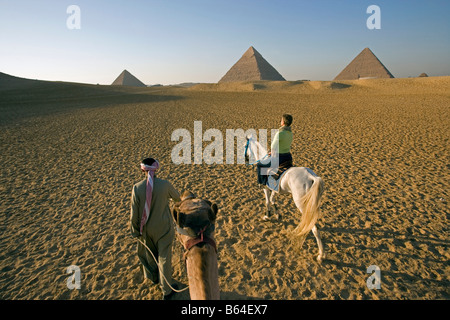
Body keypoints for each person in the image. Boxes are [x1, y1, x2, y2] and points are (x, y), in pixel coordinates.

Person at [130, 157, 181, 300]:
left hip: (145, 229)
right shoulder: (165, 185)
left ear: (142, 170)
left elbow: (134, 213)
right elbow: (177, 198)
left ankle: (156, 279)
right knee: (164, 257)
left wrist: (134, 231)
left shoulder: (137, 187)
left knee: (150, 255)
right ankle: (167, 290)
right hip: (164, 227)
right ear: (156, 169)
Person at [257, 114, 294, 185]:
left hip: (280, 158)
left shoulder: (280, 133)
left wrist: (272, 153)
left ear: (283, 122)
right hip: (288, 157)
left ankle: (262, 183)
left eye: (281, 120)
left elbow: (273, 147)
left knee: (260, 165)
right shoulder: (290, 133)